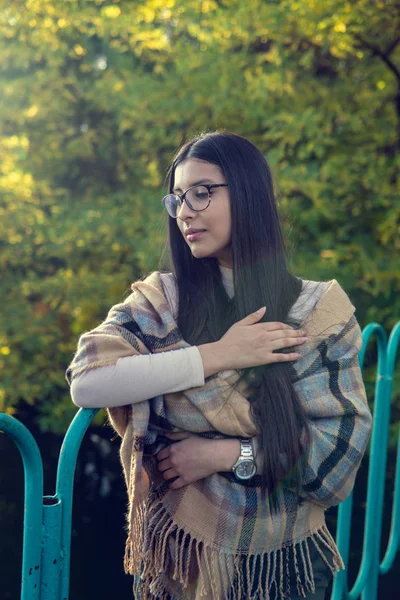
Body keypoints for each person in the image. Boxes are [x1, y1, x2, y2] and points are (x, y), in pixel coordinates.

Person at [66, 131, 372, 600]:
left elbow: (334, 464)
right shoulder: (162, 303)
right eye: (178, 198)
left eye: (202, 193)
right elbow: (87, 382)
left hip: (285, 566)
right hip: (180, 560)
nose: (185, 211)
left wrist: (224, 455)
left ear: (248, 194)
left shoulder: (318, 314)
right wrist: (219, 355)